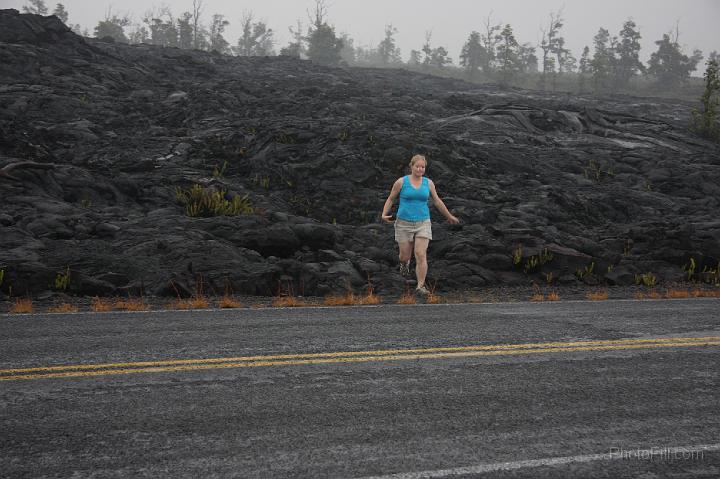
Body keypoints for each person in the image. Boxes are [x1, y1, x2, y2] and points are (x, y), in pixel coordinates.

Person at [381, 154, 459, 295]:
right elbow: (391, 198)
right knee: (404, 256)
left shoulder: (428, 183)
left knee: (420, 253)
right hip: (403, 223)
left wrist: (449, 216)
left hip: (423, 222)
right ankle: (404, 264)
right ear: (411, 167)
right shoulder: (401, 182)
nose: (420, 169)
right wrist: (384, 214)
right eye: (417, 166)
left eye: (423, 167)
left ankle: (420, 286)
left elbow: (437, 201)